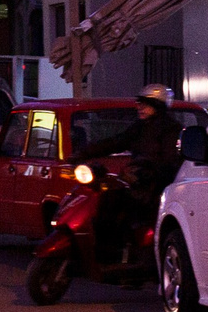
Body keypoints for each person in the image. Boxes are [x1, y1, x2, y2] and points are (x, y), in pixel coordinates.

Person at [78, 85, 187, 248]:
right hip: (139, 182)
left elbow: (170, 161)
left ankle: (138, 252)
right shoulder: (140, 127)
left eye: (145, 104)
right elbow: (117, 142)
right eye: (139, 103)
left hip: (156, 186)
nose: (139, 107)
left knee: (136, 212)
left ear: (157, 106)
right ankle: (111, 248)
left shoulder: (171, 129)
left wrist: (150, 173)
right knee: (107, 199)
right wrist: (84, 153)